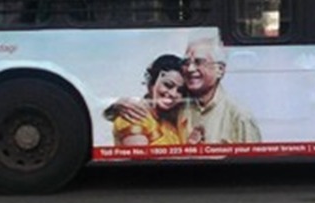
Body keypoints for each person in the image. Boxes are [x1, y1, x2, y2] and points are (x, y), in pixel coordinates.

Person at [106, 35, 262, 145]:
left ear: (220, 70)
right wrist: (117, 105)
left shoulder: (239, 116)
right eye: (187, 62)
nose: (191, 69)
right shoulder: (141, 114)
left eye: (199, 62)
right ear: (152, 82)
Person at [111, 54, 191, 146]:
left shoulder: (170, 123)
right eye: (168, 85)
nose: (173, 94)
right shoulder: (133, 115)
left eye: (180, 90)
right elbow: (140, 155)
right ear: (152, 82)